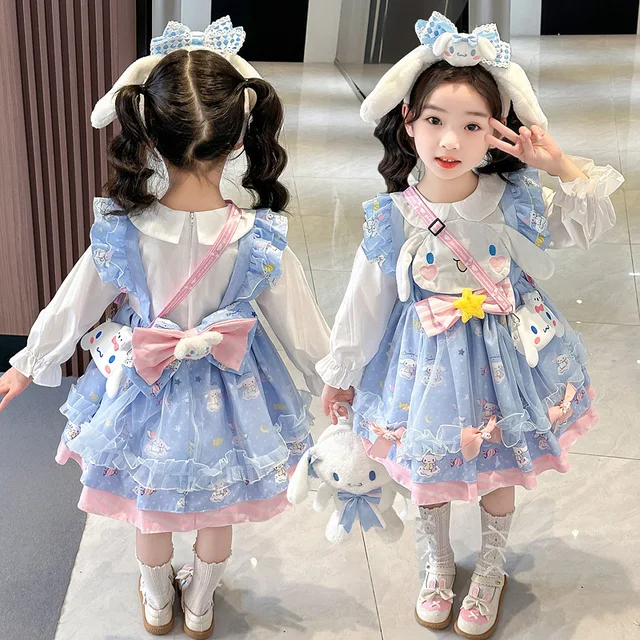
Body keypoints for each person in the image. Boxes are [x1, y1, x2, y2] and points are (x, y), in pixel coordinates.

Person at [0, 18, 329, 639]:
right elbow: (301, 327)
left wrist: (26, 363)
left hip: (142, 384)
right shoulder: (260, 238)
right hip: (235, 387)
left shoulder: (124, 231)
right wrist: (333, 383)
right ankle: (200, 603)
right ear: (238, 138)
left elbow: (74, 304)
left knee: (150, 503)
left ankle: (157, 601)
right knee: (219, 501)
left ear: (148, 135)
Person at [318, 13, 623, 639]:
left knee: (499, 464)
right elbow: (365, 298)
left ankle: (489, 566)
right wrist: (343, 372)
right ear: (408, 121)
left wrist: (557, 164)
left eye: (472, 125)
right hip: (421, 358)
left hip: (501, 355)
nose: (450, 141)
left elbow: (586, 227)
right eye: (435, 120)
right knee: (428, 467)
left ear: (497, 133)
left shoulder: (512, 199)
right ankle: (437, 564)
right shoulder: (392, 214)